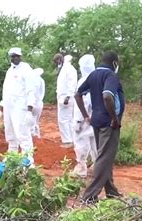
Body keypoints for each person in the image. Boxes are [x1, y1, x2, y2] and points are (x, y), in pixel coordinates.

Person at [75, 51, 125, 203]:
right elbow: (107, 96)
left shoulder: (93, 75)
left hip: (96, 121)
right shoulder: (111, 76)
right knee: (104, 158)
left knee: (105, 156)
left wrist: (85, 116)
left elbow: (77, 94)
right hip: (108, 124)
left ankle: (112, 192)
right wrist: (114, 118)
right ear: (115, 63)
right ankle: (89, 196)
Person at [0, 47, 37, 163]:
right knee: (10, 133)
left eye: (16, 56)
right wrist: (1, 108)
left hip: (20, 107)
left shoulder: (26, 70)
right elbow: (6, 91)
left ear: (20, 57)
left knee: (23, 134)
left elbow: (31, 90)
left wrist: (30, 110)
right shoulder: (10, 71)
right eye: (12, 56)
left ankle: (28, 160)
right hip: (9, 107)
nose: (14, 58)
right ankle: (12, 157)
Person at [72, 54, 97, 178]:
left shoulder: (83, 81)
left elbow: (83, 101)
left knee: (81, 141)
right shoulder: (98, 78)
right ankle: (99, 168)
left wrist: (79, 120)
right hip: (97, 116)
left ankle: (81, 169)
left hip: (85, 117)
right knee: (95, 142)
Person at [53, 53, 77, 148]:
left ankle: (67, 141)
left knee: (63, 119)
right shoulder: (65, 69)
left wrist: (68, 96)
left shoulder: (69, 69)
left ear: (59, 60)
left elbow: (72, 83)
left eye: (56, 62)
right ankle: (72, 139)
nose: (56, 64)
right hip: (64, 97)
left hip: (66, 98)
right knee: (69, 119)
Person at [31, 68, 45, 138]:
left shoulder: (33, 81)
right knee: (36, 121)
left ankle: (33, 136)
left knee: (32, 121)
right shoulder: (41, 81)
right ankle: (37, 136)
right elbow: (42, 93)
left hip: (33, 103)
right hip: (39, 103)